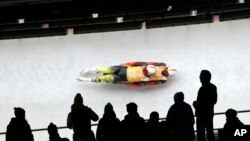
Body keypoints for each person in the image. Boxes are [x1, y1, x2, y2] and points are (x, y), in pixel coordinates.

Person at [77, 61, 176, 86]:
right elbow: (137, 62)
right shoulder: (160, 65)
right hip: (123, 69)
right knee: (106, 69)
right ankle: (91, 70)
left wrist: (125, 83)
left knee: (106, 78)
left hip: (124, 78)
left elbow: (137, 85)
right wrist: (126, 64)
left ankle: (89, 79)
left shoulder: (160, 79)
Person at [193, 70, 217, 141]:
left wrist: (196, 105)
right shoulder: (212, 87)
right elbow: (213, 101)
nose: (199, 77)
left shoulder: (202, 89)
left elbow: (210, 101)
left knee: (201, 135)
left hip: (202, 115)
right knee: (209, 133)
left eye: (201, 76)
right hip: (208, 114)